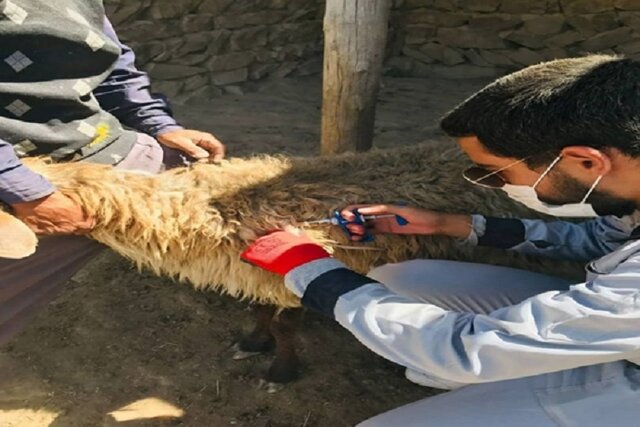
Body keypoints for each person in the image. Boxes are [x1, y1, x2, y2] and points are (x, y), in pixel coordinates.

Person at [240, 55, 640, 426]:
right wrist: (450, 224)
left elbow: (462, 349)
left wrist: (309, 269)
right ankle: (520, 372)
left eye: (494, 173)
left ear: (586, 161)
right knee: (406, 278)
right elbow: (599, 239)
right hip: (612, 327)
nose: (493, 185)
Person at [0, 1, 225, 344]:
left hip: (102, 144)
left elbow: (112, 65)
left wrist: (158, 124)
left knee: (235, 212)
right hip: (23, 169)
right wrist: (28, 193)